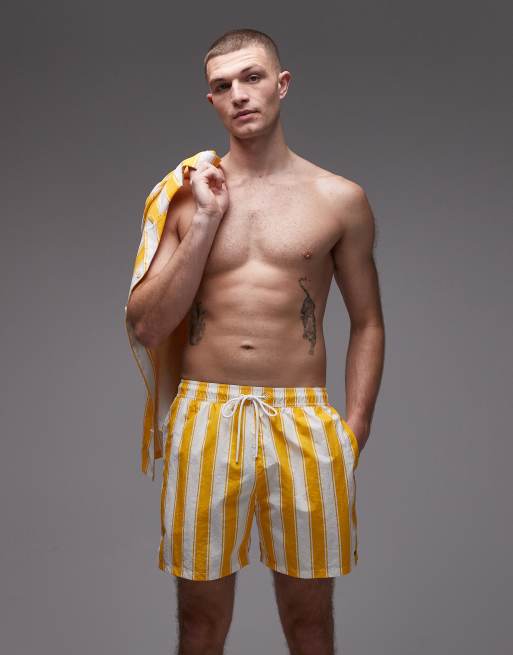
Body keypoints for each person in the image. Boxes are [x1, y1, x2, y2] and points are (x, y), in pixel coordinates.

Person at [126, 27, 385, 655]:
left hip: (303, 420)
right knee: (199, 627)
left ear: (282, 84)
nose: (239, 94)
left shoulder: (339, 199)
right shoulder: (186, 196)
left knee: (310, 627)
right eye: (223, 85)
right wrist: (206, 221)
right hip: (204, 415)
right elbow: (146, 326)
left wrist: (352, 430)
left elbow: (368, 322)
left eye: (252, 77)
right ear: (211, 100)